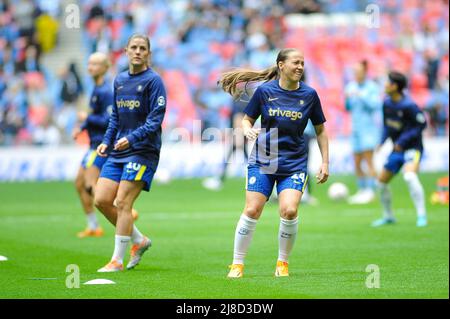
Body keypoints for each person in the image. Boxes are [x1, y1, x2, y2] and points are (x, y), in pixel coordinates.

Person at [218, 48, 329, 278]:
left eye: (302, 63)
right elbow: (246, 120)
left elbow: (321, 131)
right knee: (252, 209)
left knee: (289, 211)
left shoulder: (309, 95)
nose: (300, 67)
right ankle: (237, 264)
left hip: (294, 162)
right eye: (295, 63)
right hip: (263, 160)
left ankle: (282, 263)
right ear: (281, 65)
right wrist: (248, 131)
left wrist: (325, 162)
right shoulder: (265, 92)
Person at [94, 34, 167, 272]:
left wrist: (131, 138)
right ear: (126, 51)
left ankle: (116, 260)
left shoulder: (154, 81)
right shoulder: (120, 80)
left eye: (142, 48)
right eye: (134, 47)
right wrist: (107, 141)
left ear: (148, 53)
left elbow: (155, 121)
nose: (137, 51)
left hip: (143, 150)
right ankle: (139, 240)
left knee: (123, 201)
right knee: (102, 200)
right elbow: (115, 116)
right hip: (118, 149)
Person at [372, 71, 428, 227]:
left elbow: (422, 124)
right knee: (381, 183)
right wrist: (382, 142)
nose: (385, 85)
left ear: (395, 86)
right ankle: (388, 216)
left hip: (412, 149)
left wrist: (403, 141)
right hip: (397, 150)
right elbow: (387, 125)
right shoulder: (387, 103)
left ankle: (421, 215)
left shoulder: (409, 105)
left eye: (387, 82)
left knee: (409, 177)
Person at [73, 52, 112, 238]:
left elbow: (108, 120)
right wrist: (81, 127)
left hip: (101, 145)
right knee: (80, 184)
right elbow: (94, 117)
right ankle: (93, 225)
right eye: (89, 63)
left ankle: (122, 211)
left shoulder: (106, 91)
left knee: (89, 184)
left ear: (105, 67)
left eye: (95, 64)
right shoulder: (96, 89)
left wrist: (86, 118)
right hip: (93, 144)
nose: (90, 67)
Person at [344, 60, 382, 204]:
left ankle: (371, 191)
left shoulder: (372, 87)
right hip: (355, 129)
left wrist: (360, 95)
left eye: (359, 72)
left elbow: (375, 105)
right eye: (355, 72)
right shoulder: (350, 86)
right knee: (357, 162)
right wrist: (347, 98)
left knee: (369, 160)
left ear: (365, 72)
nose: (356, 75)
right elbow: (348, 107)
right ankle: (362, 190)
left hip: (368, 129)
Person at [202, 91, 250, 191]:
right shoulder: (243, 100)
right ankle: (220, 179)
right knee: (242, 158)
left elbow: (238, 118)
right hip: (240, 133)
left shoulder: (238, 101)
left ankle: (219, 180)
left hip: (238, 134)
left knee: (232, 158)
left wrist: (238, 136)